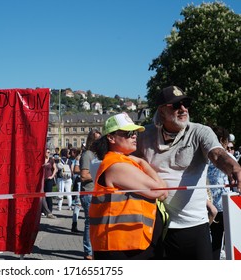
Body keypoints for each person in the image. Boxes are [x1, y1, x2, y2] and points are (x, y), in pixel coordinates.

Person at [136, 85, 241, 260]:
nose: (183, 109)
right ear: (162, 111)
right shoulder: (144, 136)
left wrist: (234, 168)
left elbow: (217, 154)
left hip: (194, 226)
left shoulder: (200, 131)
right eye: (176, 105)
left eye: (185, 103)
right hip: (156, 226)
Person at [89, 113, 168, 260]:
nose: (134, 136)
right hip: (123, 246)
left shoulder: (123, 162)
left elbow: (162, 192)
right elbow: (160, 190)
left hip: (130, 243)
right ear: (111, 138)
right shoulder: (117, 165)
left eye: (135, 133)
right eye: (129, 133)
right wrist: (142, 162)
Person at [207, 126, 237, 259]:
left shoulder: (205, 157)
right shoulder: (228, 157)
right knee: (232, 239)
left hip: (209, 204)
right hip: (226, 204)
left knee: (215, 241)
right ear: (221, 140)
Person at [79, 128, 102, 260]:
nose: (98, 141)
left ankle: (94, 250)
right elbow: (83, 175)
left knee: (96, 223)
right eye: (96, 139)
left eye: (100, 138)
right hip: (88, 192)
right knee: (90, 223)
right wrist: (100, 176)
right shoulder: (87, 154)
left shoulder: (97, 155)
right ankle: (88, 252)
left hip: (96, 192)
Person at [42, 148, 57, 219]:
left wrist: (52, 176)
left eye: (49, 152)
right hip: (42, 180)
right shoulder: (41, 160)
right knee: (42, 195)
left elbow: (55, 169)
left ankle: (50, 211)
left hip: (49, 179)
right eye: (47, 152)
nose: (48, 153)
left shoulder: (51, 160)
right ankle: (44, 210)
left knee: (49, 195)